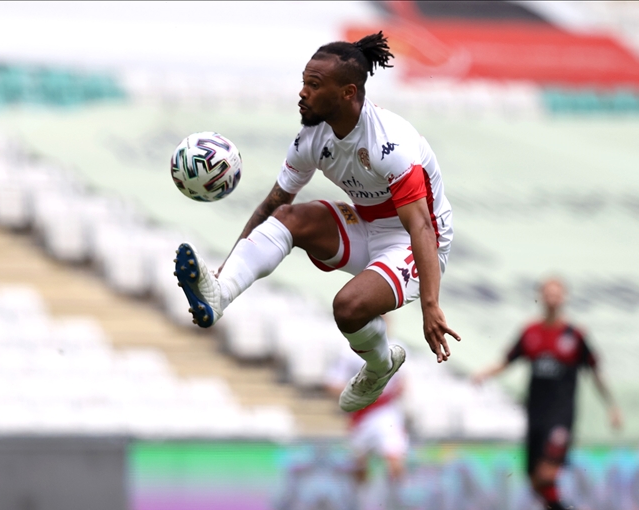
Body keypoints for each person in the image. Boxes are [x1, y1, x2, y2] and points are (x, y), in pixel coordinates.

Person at [173, 32, 459, 412]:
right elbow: (272, 206)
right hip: (366, 223)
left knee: (348, 307)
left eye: (314, 84)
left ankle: (379, 366)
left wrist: (430, 305)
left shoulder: (391, 144)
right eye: (303, 82)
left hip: (416, 241)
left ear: (347, 93)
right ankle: (221, 296)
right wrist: (224, 274)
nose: (302, 93)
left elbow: (421, 226)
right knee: (288, 216)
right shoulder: (312, 138)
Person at [473, 277, 622, 510]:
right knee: (534, 480)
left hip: (561, 417)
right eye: (548, 293)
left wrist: (612, 407)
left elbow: (595, 373)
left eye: (557, 294)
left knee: (545, 476)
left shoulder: (575, 335)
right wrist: (484, 373)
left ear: (563, 298)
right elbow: (507, 361)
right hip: (536, 416)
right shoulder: (530, 332)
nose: (553, 298)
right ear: (541, 297)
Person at [325, 324, 408, 510]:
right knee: (361, 473)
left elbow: (403, 384)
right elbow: (332, 384)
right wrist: (358, 391)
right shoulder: (349, 353)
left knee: (395, 465)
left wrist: (393, 390)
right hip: (361, 417)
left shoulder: (396, 347)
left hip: (386, 413)